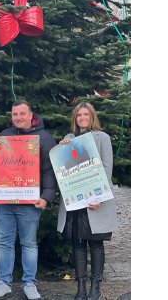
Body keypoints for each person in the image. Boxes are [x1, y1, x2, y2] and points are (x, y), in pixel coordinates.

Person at [0, 100, 58, 300]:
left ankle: (29, 283)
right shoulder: (4, 136)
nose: (18, 117)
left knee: (29, 244)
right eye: (15, 114)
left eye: (22, 114)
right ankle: (4, 283)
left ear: (31, 114)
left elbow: (50, 170)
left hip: (30, 202)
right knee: (5, 243)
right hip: (5, 201)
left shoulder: (43, 138)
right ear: (11, 116)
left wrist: (47, 197)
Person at [56, 102, 117, 300]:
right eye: (78, 115)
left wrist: (98, 197)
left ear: (92, 117)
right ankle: (81, 286)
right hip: (75, 201)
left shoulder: (102, 138)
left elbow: (107, 170)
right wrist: (63, 145)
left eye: (85, 114)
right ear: (75, 118)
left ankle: (95, 286)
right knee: (78, 244)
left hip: (95, 200)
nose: (82, 118)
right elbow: (62, 167)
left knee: (96, 244)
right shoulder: (69, 140)